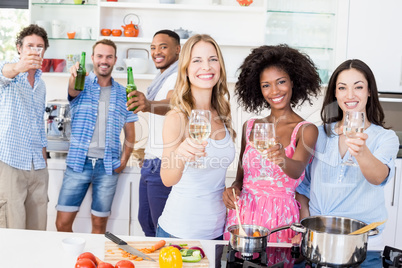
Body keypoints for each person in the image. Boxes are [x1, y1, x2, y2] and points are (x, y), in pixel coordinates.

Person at [296, 59, 399, 267]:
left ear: (370, 91)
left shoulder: (385, 138)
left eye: (358, 87)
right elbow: (303, 185)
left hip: (364, 246)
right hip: (318, 242)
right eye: (342, 88)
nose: (350, 95)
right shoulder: (318, 133)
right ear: (335, 93)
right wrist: (306, 224)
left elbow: (378, 177)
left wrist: (361, 152)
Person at [222, 44, 321, 244]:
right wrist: (233, 189)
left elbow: (297, 171)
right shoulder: (250, 126)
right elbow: (241, 177)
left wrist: (282, 159)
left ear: (293, 81)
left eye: (281, 82)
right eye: (266, 85)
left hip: (281, 218)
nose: (274, 91)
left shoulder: (306, 129)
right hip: (244, 216)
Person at [156, 34, 236, 239]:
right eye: (197, 60)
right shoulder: (177, 117)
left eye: (212, 59)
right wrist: (180, 156)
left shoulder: (222, 112)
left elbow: (213, 175)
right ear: (186, 69)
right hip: (180, 231)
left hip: (218, 231)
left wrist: (231, 189)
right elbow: (167, 178)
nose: (206, 67)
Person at [55, 39, 137, 234]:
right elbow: (73, 88)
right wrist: (73, 75)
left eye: (109, 56)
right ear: (92, 58)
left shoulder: (123, 93)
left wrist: (123, 161)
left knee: (100, 226)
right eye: (100, 56)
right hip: (78, 163)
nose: (104, 60)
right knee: (62, 223)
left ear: (115, 60)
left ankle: (93, 263)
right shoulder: (81, 84)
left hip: (108, 167)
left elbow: (131, 134)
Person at [126, 30, 181, 237]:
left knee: (160, 226)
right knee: (147, 221)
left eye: (163, 46)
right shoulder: (161, 78)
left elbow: (174, 103)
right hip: (152, 160)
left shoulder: (177, 76)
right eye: (153, 47)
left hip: (163, 162)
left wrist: (148, 105)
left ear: (178, 49)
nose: (156, 52)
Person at [0, 24, 49, 230]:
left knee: (38, 228)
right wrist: (20, 66)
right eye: (30, 46)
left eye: (39, 46)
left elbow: (39, 122)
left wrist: (44, 156)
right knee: (12, 226)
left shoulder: (41, 84)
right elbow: (5, 71)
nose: (34, 50)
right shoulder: (8, 73)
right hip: (11, 161)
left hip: (37, 165)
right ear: (19, 48)